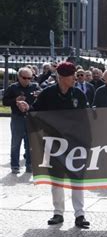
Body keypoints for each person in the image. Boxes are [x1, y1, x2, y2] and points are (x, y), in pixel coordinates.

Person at [16, 61, 90, 228]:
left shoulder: (78, 94)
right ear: (62, 77)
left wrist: (87, 142)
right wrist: (26, 107)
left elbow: (86, 118)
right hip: (53, 143)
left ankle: (80, 214)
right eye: (72, 76)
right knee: (57, 179)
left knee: (76, 179)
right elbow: (35, 112)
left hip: (74, 144)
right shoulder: (47, 94)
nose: (75, 79)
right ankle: (58, 213)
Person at [2, 67, 41, 174]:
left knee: (30, 143)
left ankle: (29, 165)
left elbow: (41, 101)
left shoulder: (35, 86)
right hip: (17, 117)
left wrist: (39, 95)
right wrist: (15, 100)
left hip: (30, 117)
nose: (27, 80)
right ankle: (15, 165)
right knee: (16, 142)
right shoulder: (12, 88)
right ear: (19, 77)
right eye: (24, 78)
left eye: (30, 78)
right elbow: (5, 102)